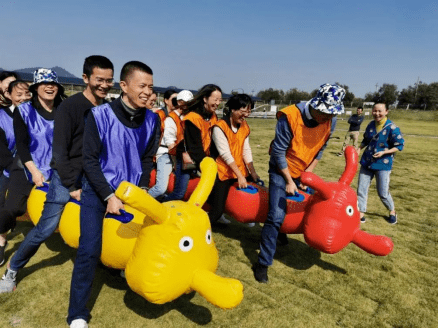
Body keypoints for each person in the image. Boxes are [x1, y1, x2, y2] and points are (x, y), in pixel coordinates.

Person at [0, 56, 114, 294]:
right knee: (46, 227)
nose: (50, 87)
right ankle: (12, 267)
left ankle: (112, 262)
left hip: (92, 173)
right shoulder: (68, 108)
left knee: (105, 219)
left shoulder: (104, 109)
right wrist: (71, 184)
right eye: (44, 84)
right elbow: (58, 152)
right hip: (63, 173)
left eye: (109, 80)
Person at [67, 61, 160, 328]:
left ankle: (122, 270)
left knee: (138, 239)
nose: (147, 92)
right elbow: (90, 161)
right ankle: (77, 314)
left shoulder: (153, 119)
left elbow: (146, 159)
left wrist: (142, 190)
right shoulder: (99, 115)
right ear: (124, 86)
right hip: (98, 190)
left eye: (150, 87)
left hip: (131, 192)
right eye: (142, 86)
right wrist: (109, 196)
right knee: (89, 249)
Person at [252, 83, 346, 283]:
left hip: (303, 170)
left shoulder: (331, 120)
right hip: (281, 168)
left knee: (303, 208)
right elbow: (278, 152)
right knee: (275, 215)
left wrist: (307, 175)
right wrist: (289, 180)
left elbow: (321, 148)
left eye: (331, 115)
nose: (327, 119)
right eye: (325, 114)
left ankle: (280, 233)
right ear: (316, 106)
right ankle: (262, 263)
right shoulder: (289, 117)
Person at [0, 68, 65, 267]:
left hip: (57, 168)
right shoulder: (24, 110)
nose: (49, 87)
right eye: (44, 84)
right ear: (36, 88)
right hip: (27, 165)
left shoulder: (64, 109)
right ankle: (1, 238)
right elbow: (22, 145)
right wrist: (34, 172)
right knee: (14, 208)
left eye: (53, 84)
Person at [162, 84, 221, 202]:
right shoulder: (192, 117)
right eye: (215, 99)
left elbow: (213, 141)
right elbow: (194, 147)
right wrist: (206, 166)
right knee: (179, 193)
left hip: (203, 157)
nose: (218, 103)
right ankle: (160, 206)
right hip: (188, 157)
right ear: (205, 99)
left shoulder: (213, 116)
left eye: (220, 100)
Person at [208, 94, 259, 225]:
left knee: (256, 185)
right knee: (217, 210)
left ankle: (248, 215)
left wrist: (252, 172)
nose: (246, 115)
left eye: (248, 111)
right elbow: (225, 155)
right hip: (223, 171)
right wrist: (239, 176)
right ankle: (199, 229)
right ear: (233, 109)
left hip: (239, 168)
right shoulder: (219, 127)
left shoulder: (244, 126)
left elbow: (246, 150)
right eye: (243, 111)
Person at [356, 102, 404, 224]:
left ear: (386, 111)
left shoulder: (392, 127)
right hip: (367, 162)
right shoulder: (371, 125)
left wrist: (384, 152)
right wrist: (359, 148)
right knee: (361, 189)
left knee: (382, 192)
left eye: (380, 111)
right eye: (375, 111)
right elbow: (366, 139)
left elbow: (399, 145)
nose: (377, 114)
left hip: (383, 164)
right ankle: (361, 212)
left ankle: (392, 211)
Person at [148, 90, 193, 199]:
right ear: (181, 103)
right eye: (188, 103)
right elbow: (170, 144)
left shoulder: (184, 118)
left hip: (177, 155)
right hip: (166, 154)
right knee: (160, 188)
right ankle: (140, 201)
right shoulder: (170, 119)